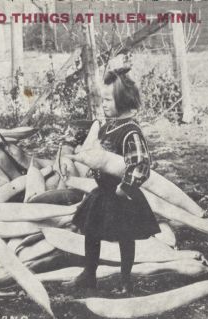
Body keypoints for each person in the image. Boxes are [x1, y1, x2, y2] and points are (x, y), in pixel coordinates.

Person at [65, 67, 160, 294]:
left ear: (123, 101)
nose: (104, 104)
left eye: (108, 100)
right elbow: (100, 153)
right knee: (91, 232)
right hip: (103, 192)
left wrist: (125, 186)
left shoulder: (130, 131)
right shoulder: (110, 126)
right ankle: (89, 274)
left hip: (122, 194)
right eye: (102, 99)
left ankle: (125, 280)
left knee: (125, 237)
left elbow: (140, 164)